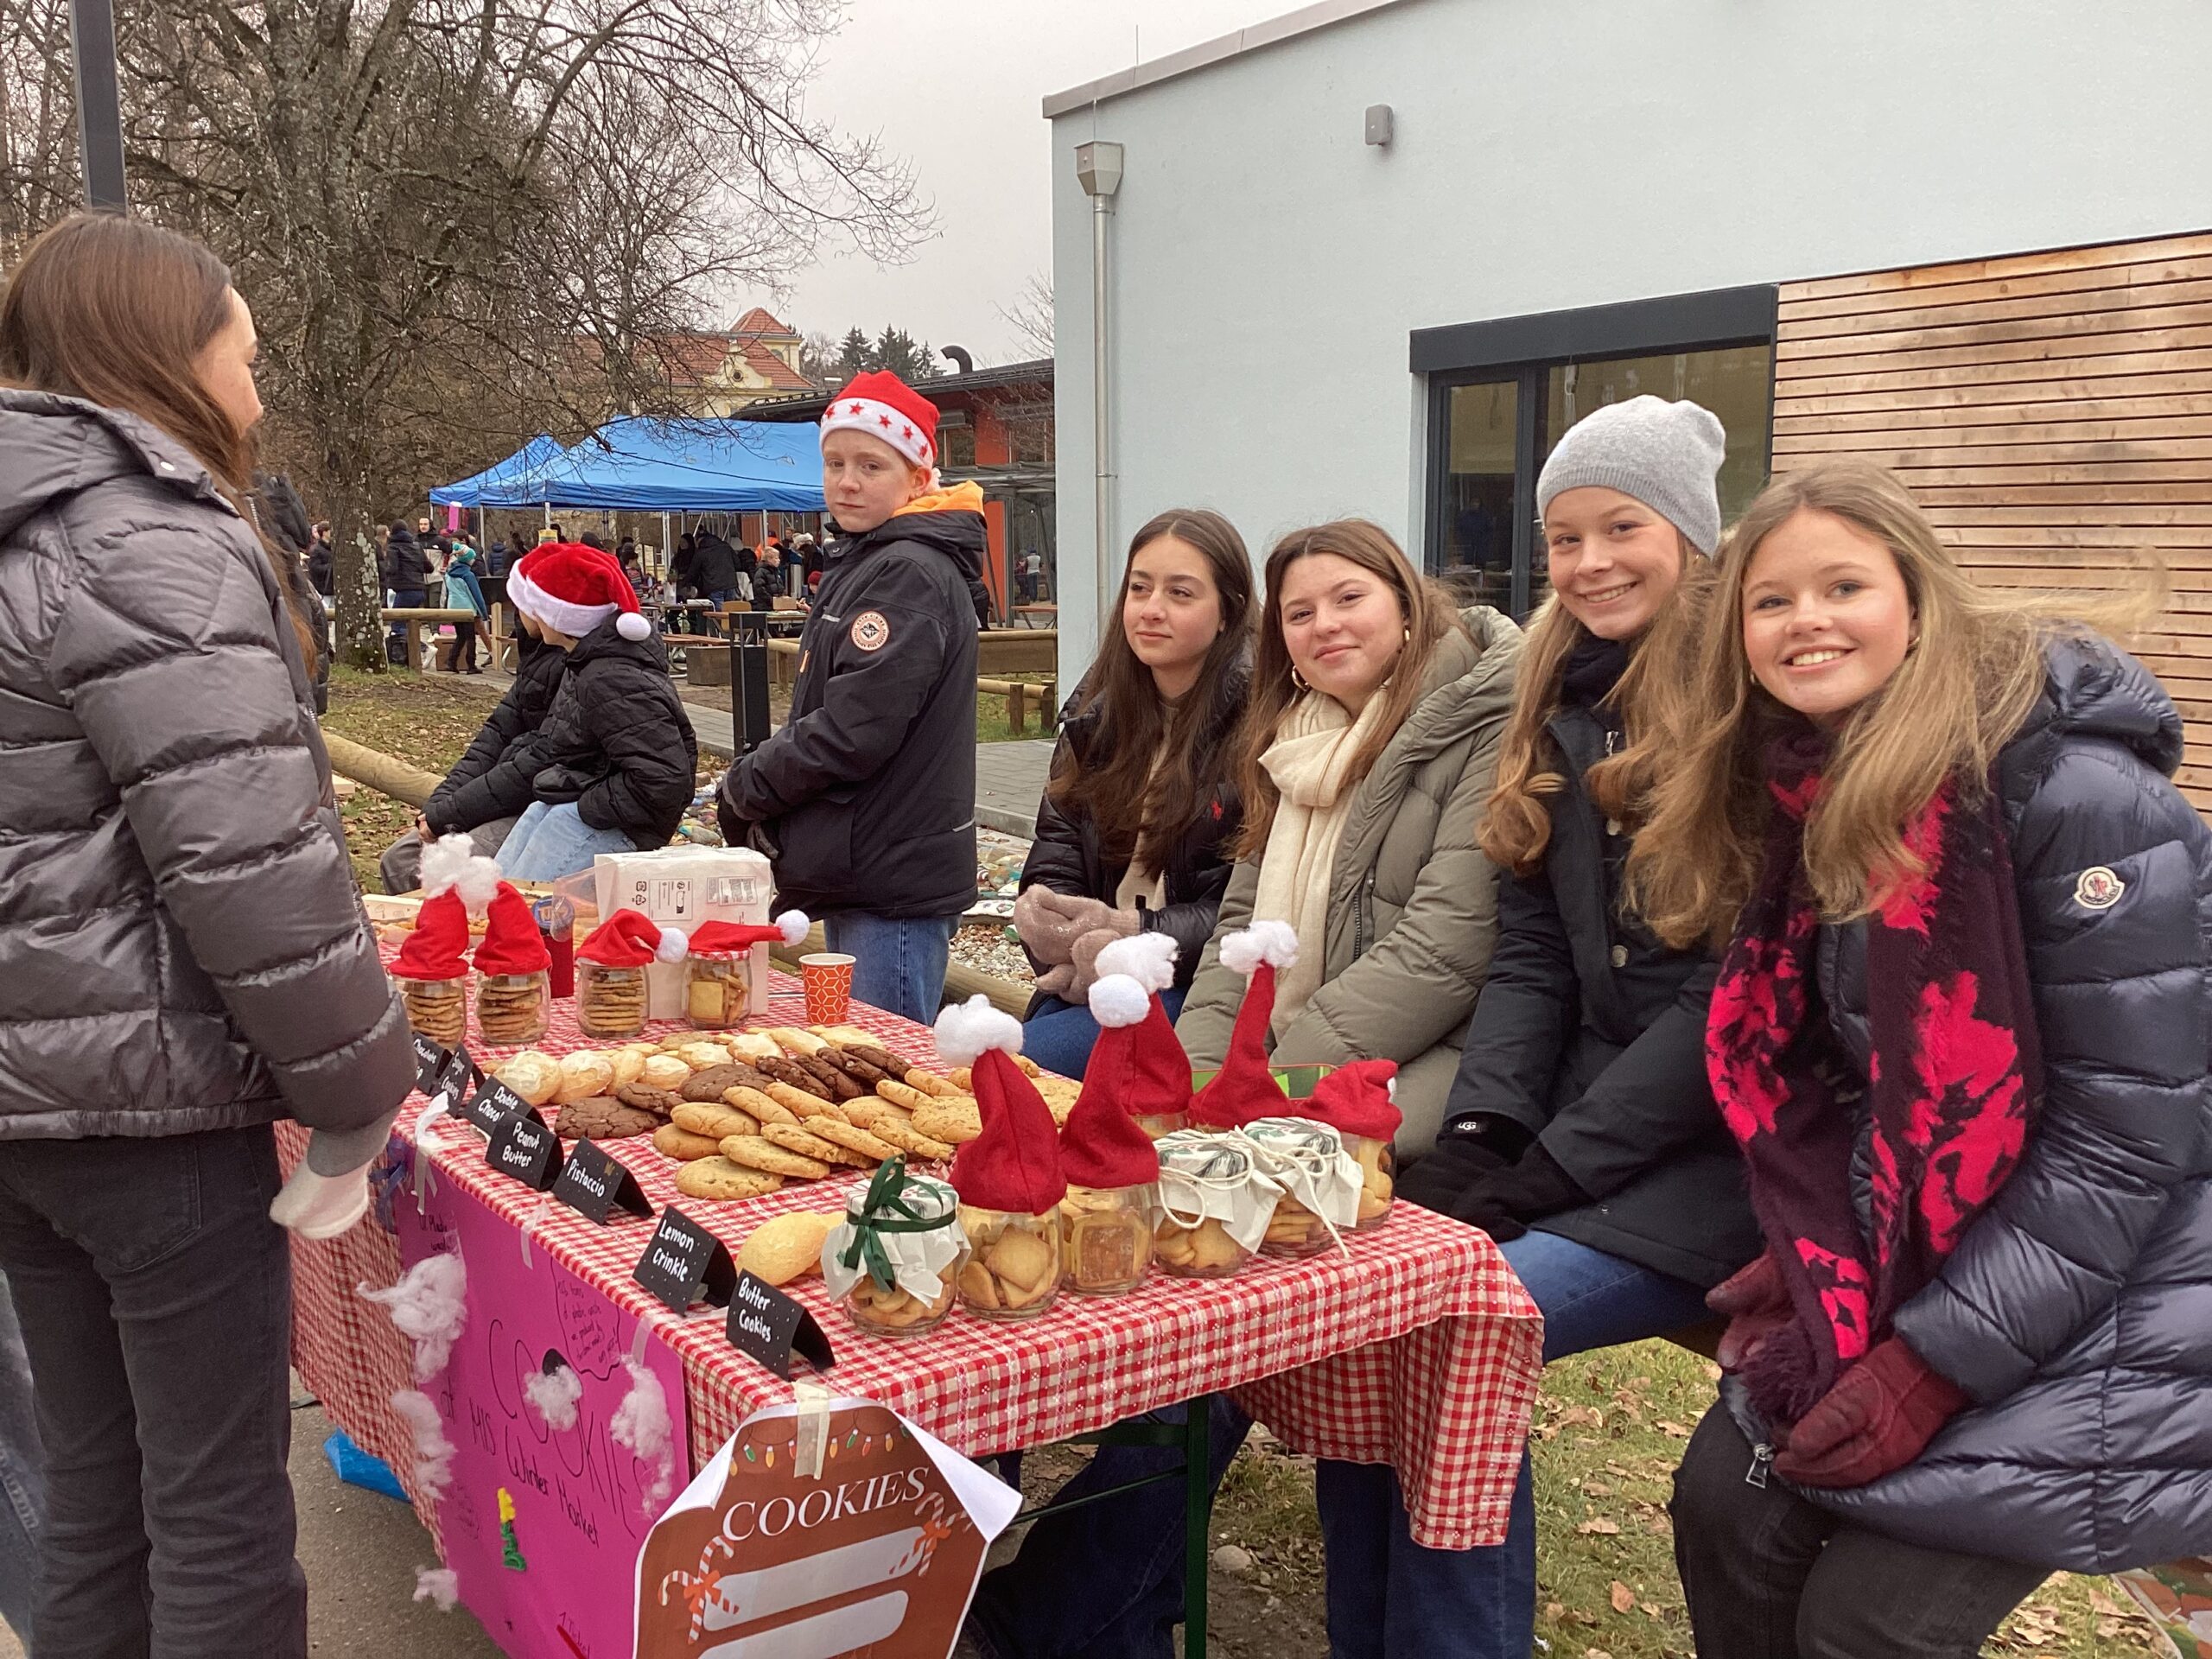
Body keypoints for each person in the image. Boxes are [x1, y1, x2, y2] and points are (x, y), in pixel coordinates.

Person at [1628, 461, 2210, 1656]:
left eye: (1843, 586)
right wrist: (1813, 1247)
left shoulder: (2077, 794)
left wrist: (1935, 1364)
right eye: (1771, 600)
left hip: (2138, 1287)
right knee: (1725, 1509)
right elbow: (1857, 1078)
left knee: (1870, 1623)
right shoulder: (1814, 786)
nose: (1807, 621)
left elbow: (2127, 1136)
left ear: (1917, 598)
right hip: (1934, 1246)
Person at [975, 522, 1522, 1659]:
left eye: (1348, 600)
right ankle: (1053, 1585)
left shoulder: (1475, 723)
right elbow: (1235, 932)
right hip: (1278, 1078)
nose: (1324, 627)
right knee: (1135, 1268)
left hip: (1406, 1083)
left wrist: (1263, 1087)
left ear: (1407, 603)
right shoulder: (1296, 734)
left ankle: (1072, 1609)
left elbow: (1442, 951)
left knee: (1207, 1327)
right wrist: (1195, 1086)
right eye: (1303, 612)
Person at [0, 212, 415, 1658]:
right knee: (218, 1515)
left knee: (95, 1499)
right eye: (243, 349)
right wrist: (358, 1095)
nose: (256, 381)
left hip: (29, 1109)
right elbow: (250, 868)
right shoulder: (151, 539)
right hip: (151, 1117)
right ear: (164, 353)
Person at [1357, 397, 1758, 1656]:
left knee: (1449, 1326)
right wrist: (1484, 1129)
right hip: (1584, 1127)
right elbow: (1531, 954)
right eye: (1565, 538)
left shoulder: (1750, 711)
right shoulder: (1561, 693)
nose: (1590, 563)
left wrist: (1554, 1168)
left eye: (1621, 528)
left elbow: (1727, 1006)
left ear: (1690, 534)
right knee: (1361, 1304)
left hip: (1724, 1159)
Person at [715, 371, 986, 1021]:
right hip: (866, 861)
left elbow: (852, 730)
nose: (847, 482)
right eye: (835, 463)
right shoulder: (871, 558)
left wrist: (747, 786)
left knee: (882, 1054)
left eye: (871, 465)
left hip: (890, 875)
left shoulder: (907, 571)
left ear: (917, 478)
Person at [1014, 508, 1255, 1078]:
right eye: (1139, 588)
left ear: (1228, 611)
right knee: (989, 1070)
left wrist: (1129, 936)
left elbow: (1245, 911)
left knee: (1020, 1068)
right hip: (1088, 974)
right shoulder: (1095, 719)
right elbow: (1054, 858)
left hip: (1196, 985)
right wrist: (1051, 921)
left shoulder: (1259, 728)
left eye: (1180, 593)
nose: (1151, 608)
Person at [495, 542, 697, 880]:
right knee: (506, 875)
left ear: (560, 616)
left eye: (537, 606)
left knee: (525, 896)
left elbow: (664, 779)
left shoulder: (609, 678)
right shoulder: (588, 664)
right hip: (590, 806)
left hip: (623, 824)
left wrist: (586, 804)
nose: (529, 614)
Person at [379, 621, 568, 892]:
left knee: (456, 873)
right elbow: (491, 740)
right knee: (400, 860)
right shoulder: (539, 656)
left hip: (548, 804)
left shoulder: (581, 668)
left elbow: (538, 763)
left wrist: (449, 815)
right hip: (503, 796)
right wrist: (438, 807)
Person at [384, 517, 426, 663]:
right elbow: (429, 567)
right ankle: (413, 657)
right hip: (420, 589)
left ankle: (420, 649)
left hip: (404, 589)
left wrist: (381, 571)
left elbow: (393, 569)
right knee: (411, 624)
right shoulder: (417, 546)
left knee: (397, 624)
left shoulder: (393, 547)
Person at [442, 539, 488, 673]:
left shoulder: (449, 573)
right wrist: (484, 613)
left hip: (453, 608)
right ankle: (471, 665)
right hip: (467, 609)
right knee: (470, 638)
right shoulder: (468, 575)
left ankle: (451, 662)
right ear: (468, 560)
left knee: (460, 636)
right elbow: (476, 595)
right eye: (472, 558)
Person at [306, 519, 334, 596]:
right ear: (324, 532)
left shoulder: (334, 547)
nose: (332, 532)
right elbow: (314, 568)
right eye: (330, 530)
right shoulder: (316, 550)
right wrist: (331, 567)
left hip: (334, 588)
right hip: (323, 589)